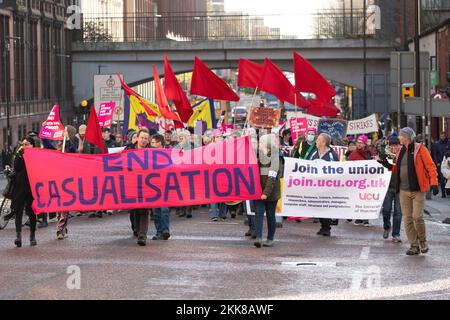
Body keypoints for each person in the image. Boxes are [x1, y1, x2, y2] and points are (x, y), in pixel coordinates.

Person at [395, 127, 438, 255]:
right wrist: (385, 164)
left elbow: (430, 166)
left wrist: (434, 182)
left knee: (417, 216)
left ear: (407, 137)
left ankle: (423, 241)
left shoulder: (420, 149)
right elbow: (396, 168)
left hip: (418, 189)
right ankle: (414, 245)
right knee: (407, 218)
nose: (399, 138)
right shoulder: (399, 150)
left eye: (401, 135)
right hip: (403, 190)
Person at [307, 133, 339, 237]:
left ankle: (326, 227)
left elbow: (337, 169)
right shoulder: (313, 153)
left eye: (318, 140)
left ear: (324, 142)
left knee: (325, 205)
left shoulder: (331, 154)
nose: (316, 141)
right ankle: (323, 226)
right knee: (318, 205)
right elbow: (307, 164)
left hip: (327, 185)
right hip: (315, 185)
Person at [253, 133, 281, 248]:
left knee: (270, 215)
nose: (259, 144)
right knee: (258, 214)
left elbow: (272, 177)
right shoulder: (258, 156)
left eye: (261, 143)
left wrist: (266, 193)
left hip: (271, 192)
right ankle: (259, 237)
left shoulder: (275, 157)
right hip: (258, 190)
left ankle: (270, 238)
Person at [10, 137, 37, 247]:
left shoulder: (37, 155)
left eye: (27, 144)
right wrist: (20, 156)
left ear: (32, 145)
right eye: (23, 144)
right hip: (20, 187)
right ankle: (18, 236)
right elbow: (16, 168)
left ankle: (32, 236)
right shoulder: (19, 154)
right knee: (18, 211)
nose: (25, 146)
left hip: (31, 188)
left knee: (31, 212)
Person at [377, 137, 402, 243]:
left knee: (398, 212)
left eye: (396, 145)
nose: (394, 148)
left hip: (400, 188)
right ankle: (387, 227)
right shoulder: (385, 154)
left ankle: (396, 234)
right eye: (392, 146)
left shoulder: (402, 154)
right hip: (387, 187)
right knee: (386, 210)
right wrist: (381, 161)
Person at [129, 129, 151, 246]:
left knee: (144, 210)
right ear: (137, 138)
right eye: (142, 137)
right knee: (134, 210)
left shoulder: (151, 152)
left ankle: (142, 235)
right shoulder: (128, 150)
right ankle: (136, 229)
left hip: (146, 185)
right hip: (131, 184)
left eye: (146, 138)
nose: (143, 140)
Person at [150, 134, 171, 240]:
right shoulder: (149, 154)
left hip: (165, 184)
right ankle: (159, 231)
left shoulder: (168, 153)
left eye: (153, 142)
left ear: (160, 143)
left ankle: (165, 230)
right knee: (156, 211)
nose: (151, 144)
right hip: (153, 185)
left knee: (164, 209)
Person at [349, 134, 372, 227]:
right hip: (357, 181)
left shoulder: (370, 153)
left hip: (368, 180)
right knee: (358, 199)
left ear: (365, 144)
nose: (359, 144)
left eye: (361, 143)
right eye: (358, 142)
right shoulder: (353, 154)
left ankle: (366, 219)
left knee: (367, 199)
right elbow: (349, 167)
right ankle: (358, 218)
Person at [432, 132, 450, 198]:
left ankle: (448, 190)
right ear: (440, 136)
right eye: (441, 136)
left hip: (448, 163)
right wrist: (437, 162)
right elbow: (435, 154)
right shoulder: (437, 144)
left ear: (445, 136)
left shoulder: (448, 143)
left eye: (443, 136)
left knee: (448, 178)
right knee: (442, 179)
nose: (442, 137)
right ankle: (443, 193)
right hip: (440, 163)